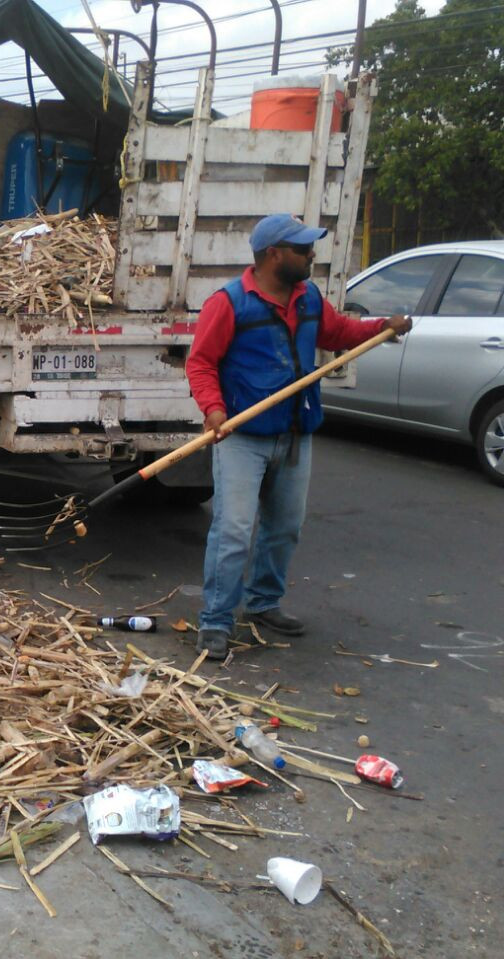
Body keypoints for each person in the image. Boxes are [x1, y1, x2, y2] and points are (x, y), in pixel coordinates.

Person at [186, 214, 412, 661]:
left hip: (294, 431)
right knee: (233, 532)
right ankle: (215, 620)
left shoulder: (308, 298)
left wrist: (382, 328)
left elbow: (337, 332)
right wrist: (213, 410)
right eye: (303, 248)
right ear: (274, 254)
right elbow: (201, 362)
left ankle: (263, 603)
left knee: (285, 527)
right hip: (242, 435)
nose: (312, 255)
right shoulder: (229, 303)